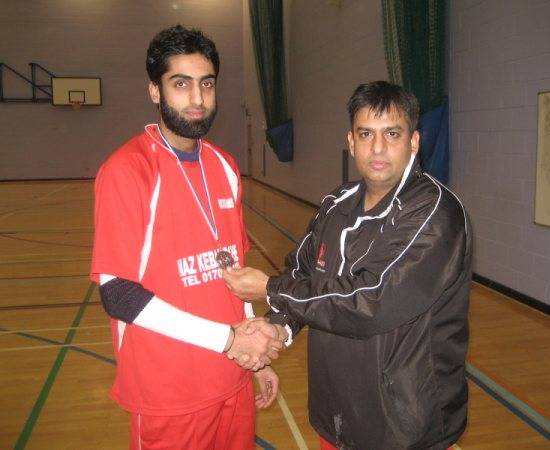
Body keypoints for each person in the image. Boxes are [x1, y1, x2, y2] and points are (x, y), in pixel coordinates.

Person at [223, 81, 472, 450]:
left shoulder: (435, 212)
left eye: (392, 133)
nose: (378, 147)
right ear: (351, 142)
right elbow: (302, 273)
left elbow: (371, 300)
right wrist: (279, 328)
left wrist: (270, 289)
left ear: (414, 141)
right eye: (366, 134)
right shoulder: (337, 202)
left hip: (403, 424)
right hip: (336, 410)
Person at [90, 25, 285, 450]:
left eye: (206, 84)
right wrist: (230, 340)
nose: (197, 99)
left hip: (232, 381)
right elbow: (118, 294)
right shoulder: (128, 170)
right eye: (181, 84)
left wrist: (250, 362)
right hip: (169, 397)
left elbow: (231, 271)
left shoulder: (226, 167)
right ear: (155, 91)